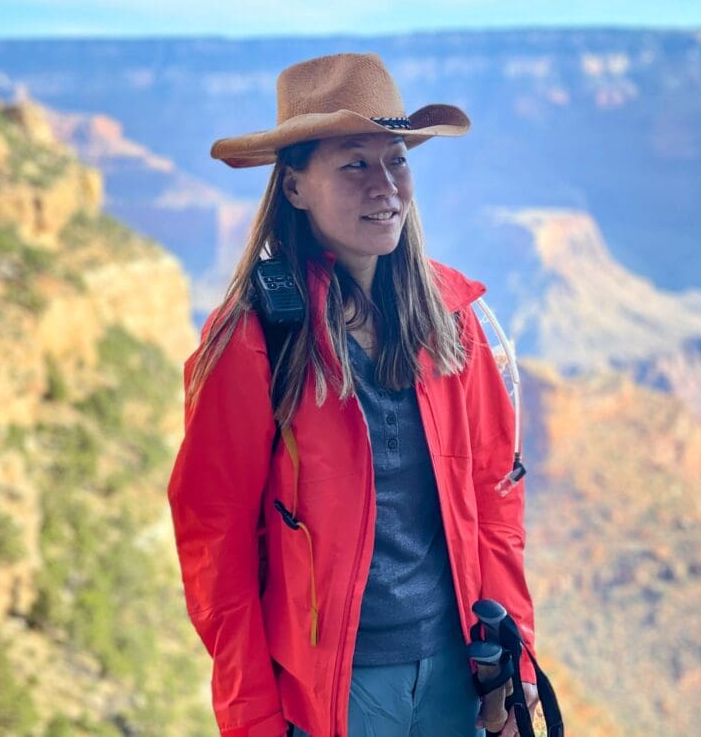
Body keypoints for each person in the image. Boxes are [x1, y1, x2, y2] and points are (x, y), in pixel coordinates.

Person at [166, 52, 541, 737]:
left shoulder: (451, 319)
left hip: (457, 671)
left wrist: (513, 670)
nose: (384, 186)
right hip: (338, 691)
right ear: (295, 187)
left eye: (396, 161)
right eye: (354, 165)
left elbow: (494, 502)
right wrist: (253, 720)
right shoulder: (254, 339)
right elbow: (215, 551)